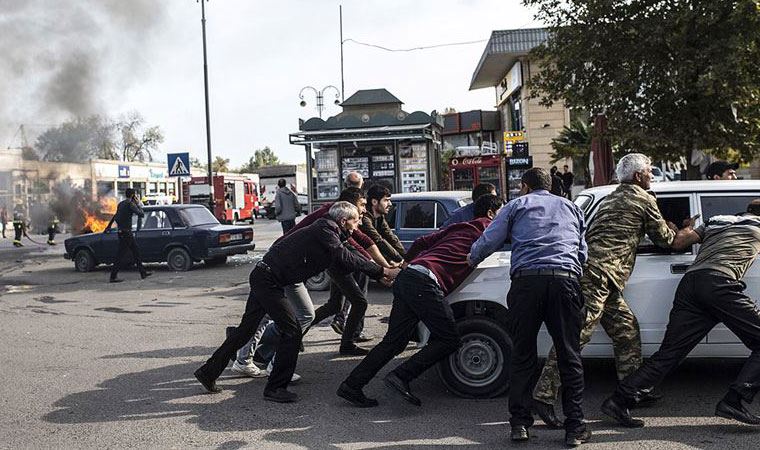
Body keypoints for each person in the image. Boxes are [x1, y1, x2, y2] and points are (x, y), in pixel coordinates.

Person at [532, 153, 695, 428]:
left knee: (627, 331)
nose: (652, 176)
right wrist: (686, 230)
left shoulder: (610, 198)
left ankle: (630, 394)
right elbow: (667, 241)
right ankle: (543, 396)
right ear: (637, 176)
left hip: (600, 276)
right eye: (649, 172)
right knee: (576, 338)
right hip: (599, 276)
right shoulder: (643, 199)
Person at [194, 202, 401, 403]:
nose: (358, 226)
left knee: (245, 331)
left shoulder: (333, 231)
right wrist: (383, 271)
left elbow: (352, 255)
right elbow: (344, 256)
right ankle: (275, 387)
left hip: (268, 277)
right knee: (291, 330)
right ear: (344, 220)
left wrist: (379, 272)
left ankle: (208, 372)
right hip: (269, 280)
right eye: (355, 222)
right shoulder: (326, 229)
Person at [602, 200, 760, 427]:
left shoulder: (715, 222)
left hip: (691, 284)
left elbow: (678, 242)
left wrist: (686, 226)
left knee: (670, 353)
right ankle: (734, 400)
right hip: (719, 285)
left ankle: (619, 400)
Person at [338, 194, 504, 408]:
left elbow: (421, 242)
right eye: (502, 214)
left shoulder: (461, 226)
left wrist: (405, 265)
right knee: (449, 338)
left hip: (411, 276)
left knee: (395, 342)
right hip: (425, 282)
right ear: (491, 213)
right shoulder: (490, 229)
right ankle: (401, 376)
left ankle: (351, 385)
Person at [468, 168, 590, 446]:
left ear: (524, 186)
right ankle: (574, 428)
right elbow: (582, 252)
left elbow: (489, 240)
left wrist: (471, 258)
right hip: (564, 281)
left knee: (523, 355)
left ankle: (520, 425)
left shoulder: (516, 205)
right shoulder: (572, 208)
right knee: (569, 356)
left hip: (526, 284)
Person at [304, 187, 394, 355]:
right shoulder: (331, 218)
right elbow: (349, 252)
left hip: (331, 260)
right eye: (362, 205)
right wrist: (382, 271)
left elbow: (362, 243)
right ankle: (346, 343)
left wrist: (383, 269)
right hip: (322, 262)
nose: (364, 210)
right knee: (359, 302)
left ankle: (299, 332)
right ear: (349, 206)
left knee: (334, 305)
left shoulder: (344, 219)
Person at [105, 188, 151, 283]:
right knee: (120, 255)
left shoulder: (121, 204)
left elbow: (115, 216)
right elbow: (141, 214)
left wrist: (108, 226)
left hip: (122, 232)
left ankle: (143, 273)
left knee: (136, 252)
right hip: (126, 233)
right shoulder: (131, 204)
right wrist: (138, 204)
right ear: (133, 195)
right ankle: (113, 277)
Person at [361, 184, 405, 264]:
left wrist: (406, 257)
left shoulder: (380, 217)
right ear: (374, 202)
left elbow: (391, 237)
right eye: (386, 200)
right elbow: (378, 240)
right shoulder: (364, 218)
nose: (390, 204)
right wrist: (400, 259)